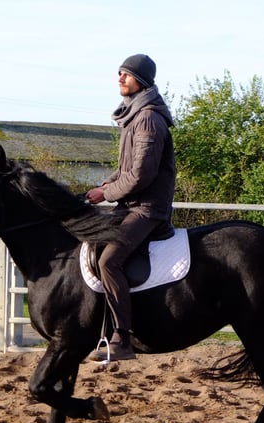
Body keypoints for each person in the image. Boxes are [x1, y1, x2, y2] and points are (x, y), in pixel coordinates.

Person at [86, 54, 176, 361]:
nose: (120, 78)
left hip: (147, 209)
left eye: (126, 74)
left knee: (109, 261)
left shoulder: (148, 118)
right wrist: (101, 187)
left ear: (142, 81)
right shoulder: (135, 116)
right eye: (120, 73)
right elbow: (125, 169)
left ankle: (123, 339)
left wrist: (107, 193)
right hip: (131, 205)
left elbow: (140, 175)